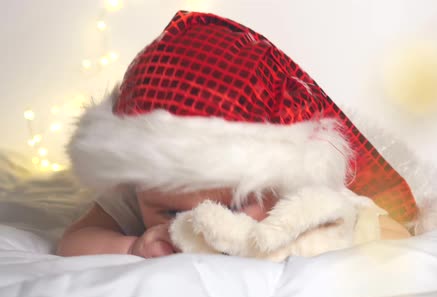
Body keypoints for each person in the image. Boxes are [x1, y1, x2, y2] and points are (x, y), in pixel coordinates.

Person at [57, 11, 418, 258]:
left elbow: (395, 234)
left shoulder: (299, 194)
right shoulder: (138, 185)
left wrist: (306, 242)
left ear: (273, 182)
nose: (196, 223)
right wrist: (132, 247)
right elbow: (74, 241)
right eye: (168, 211)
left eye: (232, 206)